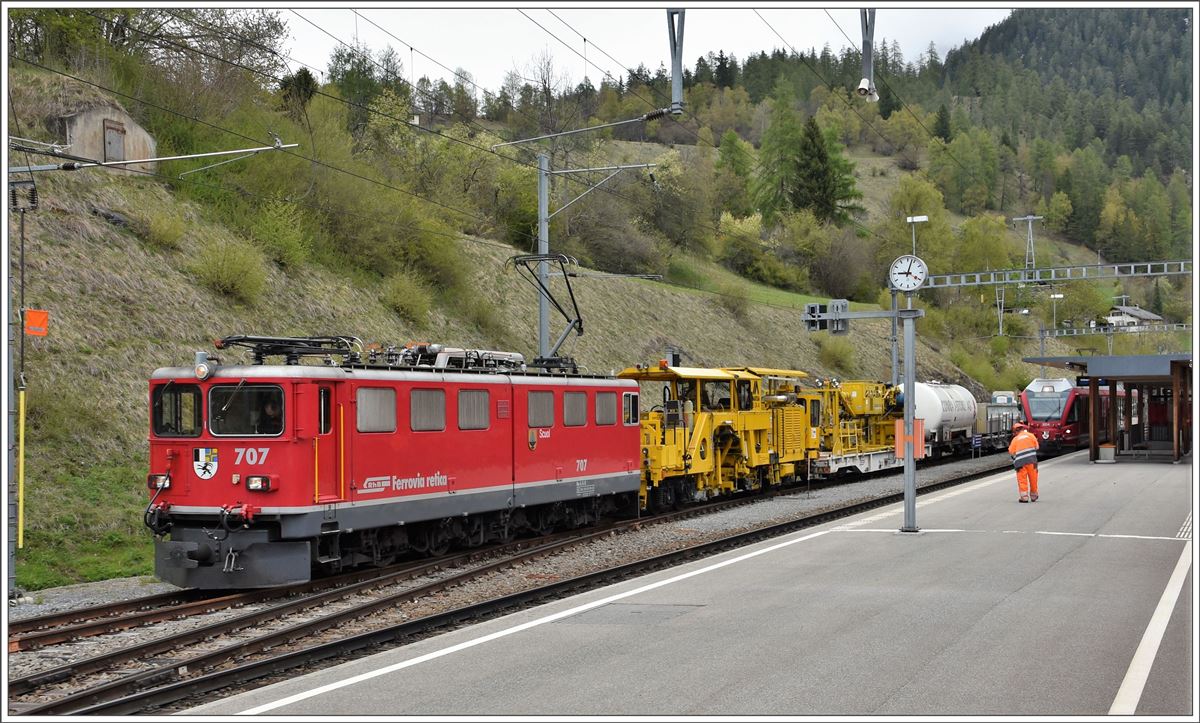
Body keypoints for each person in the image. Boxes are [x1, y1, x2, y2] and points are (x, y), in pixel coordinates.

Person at [1008, 421, 1040, 503]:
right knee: (1033, 478)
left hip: (1020, 463)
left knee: (1022, 479)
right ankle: (1034, 496)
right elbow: (1037, 447)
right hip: (1032, 461)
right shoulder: (1031, 436)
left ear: (1015, 431)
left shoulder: (1015, 439)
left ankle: (1024, 497)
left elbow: (1011, 451)